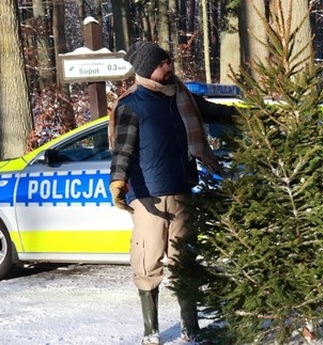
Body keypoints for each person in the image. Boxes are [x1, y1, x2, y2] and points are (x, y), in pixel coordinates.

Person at [108, 41, 237, 345]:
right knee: (146, 260)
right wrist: (118, 182)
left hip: (181, 190)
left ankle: (190, 327)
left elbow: (213, 112)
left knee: (184, 261)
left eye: (168, 61)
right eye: (163, 62)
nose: (170, 67)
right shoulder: (131, 105)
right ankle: (150, 330)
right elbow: (122, 150)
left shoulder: (181, 97)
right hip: (148, 198)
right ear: (147, 69)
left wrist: (249, 117)